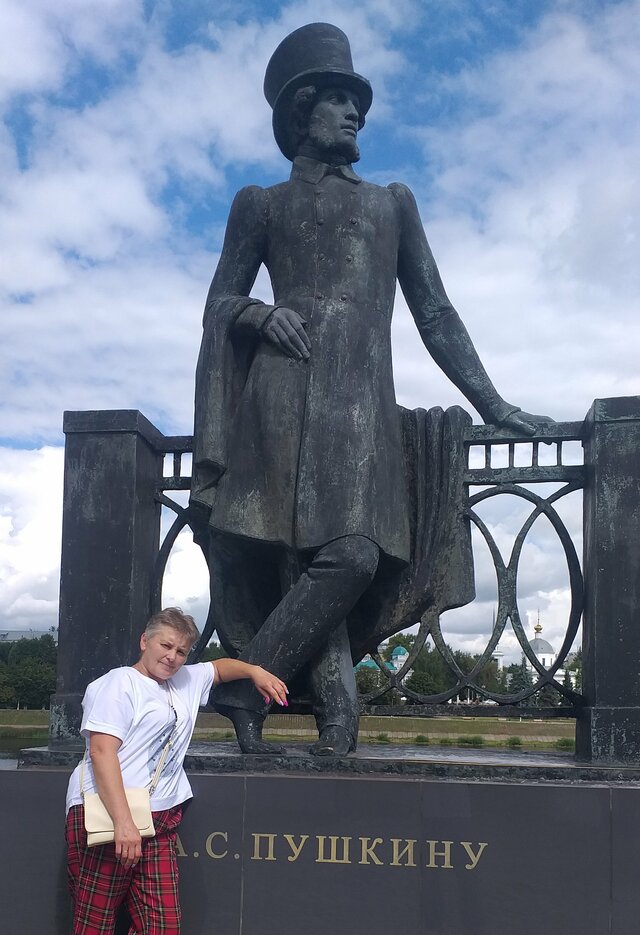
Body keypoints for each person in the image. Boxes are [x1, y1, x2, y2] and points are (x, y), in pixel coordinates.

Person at [190, 23, 553, 758]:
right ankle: (335, 723)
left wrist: (496, 406)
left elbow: (435, 313)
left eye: (357, 102)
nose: (355, 113)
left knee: (352, 557)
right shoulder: (260, 203)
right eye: (338, 99)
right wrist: (258, 314)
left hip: (359, 415)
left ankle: (243, 687)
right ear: (302, 114)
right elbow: (219, 302)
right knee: (304, 560)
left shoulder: (392, 204)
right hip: (280, 403)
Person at [62, 606, 288, 935]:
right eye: (165, 645)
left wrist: (254, 671)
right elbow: (101, 752)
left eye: (182, 650)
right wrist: (123, 823)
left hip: (159, 821)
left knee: (161, 931)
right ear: (145, 641)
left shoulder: (184, 680)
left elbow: (219, 669)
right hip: (108, 820)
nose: (173, 656)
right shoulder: (117, 685)